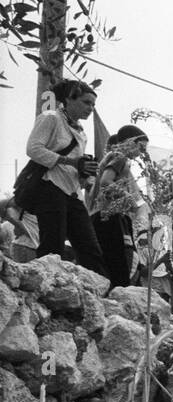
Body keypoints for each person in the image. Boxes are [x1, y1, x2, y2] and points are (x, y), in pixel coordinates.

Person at [21, 80, 110, 276]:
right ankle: (47, 291)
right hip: (49, 187)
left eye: (93, 105)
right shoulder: (51, 116)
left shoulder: (81, 132)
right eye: (87, 102)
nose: (90, 108)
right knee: (53, 246)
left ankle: (99, 293)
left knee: (90, 248)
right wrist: (71, 162)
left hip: (72, 192)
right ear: (70, 99)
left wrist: (85, 173)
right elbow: (33, 149)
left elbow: (76, 164)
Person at [86, 125, 149, 289]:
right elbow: (106, 181)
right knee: (119, 269)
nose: (141, 153)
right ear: (131, 142)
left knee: (108, 266)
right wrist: (128, 198)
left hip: (101, 216)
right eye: (140, 147)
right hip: (110, 218)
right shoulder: (120, 158)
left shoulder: (110, 157)